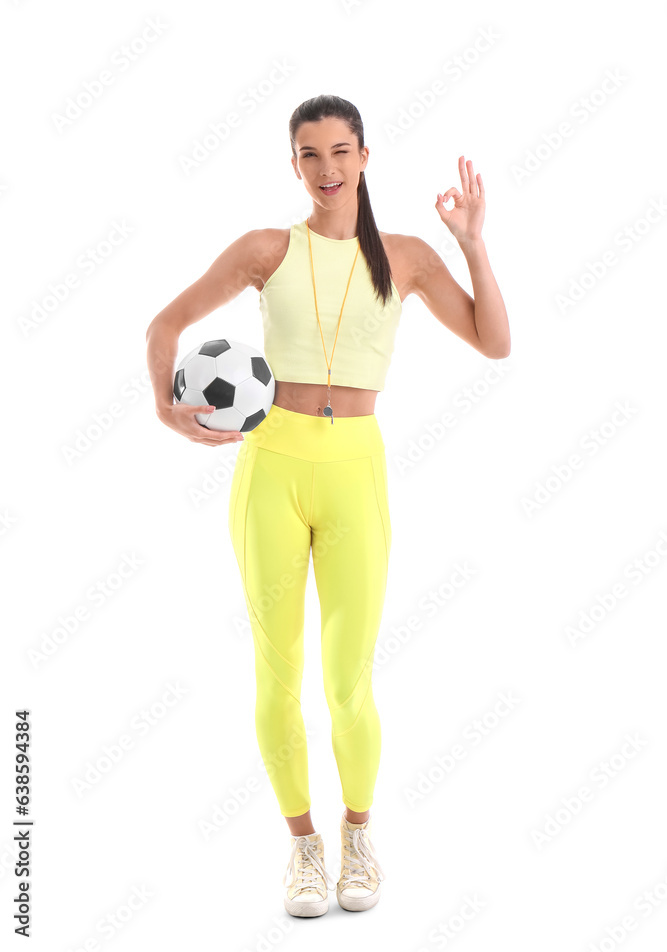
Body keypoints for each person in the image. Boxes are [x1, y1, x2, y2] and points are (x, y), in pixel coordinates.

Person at [145, 94, 510, 918]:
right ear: (294, 166)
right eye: (309, 155)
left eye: (340, 151)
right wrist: (167, 408)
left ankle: (357, 837)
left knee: (349, 681)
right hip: (271, 467)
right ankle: (302, 848)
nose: (327, 169)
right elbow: (163, 325)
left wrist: (474, 248)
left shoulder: (407, 258)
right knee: (276, 677)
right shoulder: (265, 249)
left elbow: (494, 341)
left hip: (356, 473)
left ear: (365, 157)